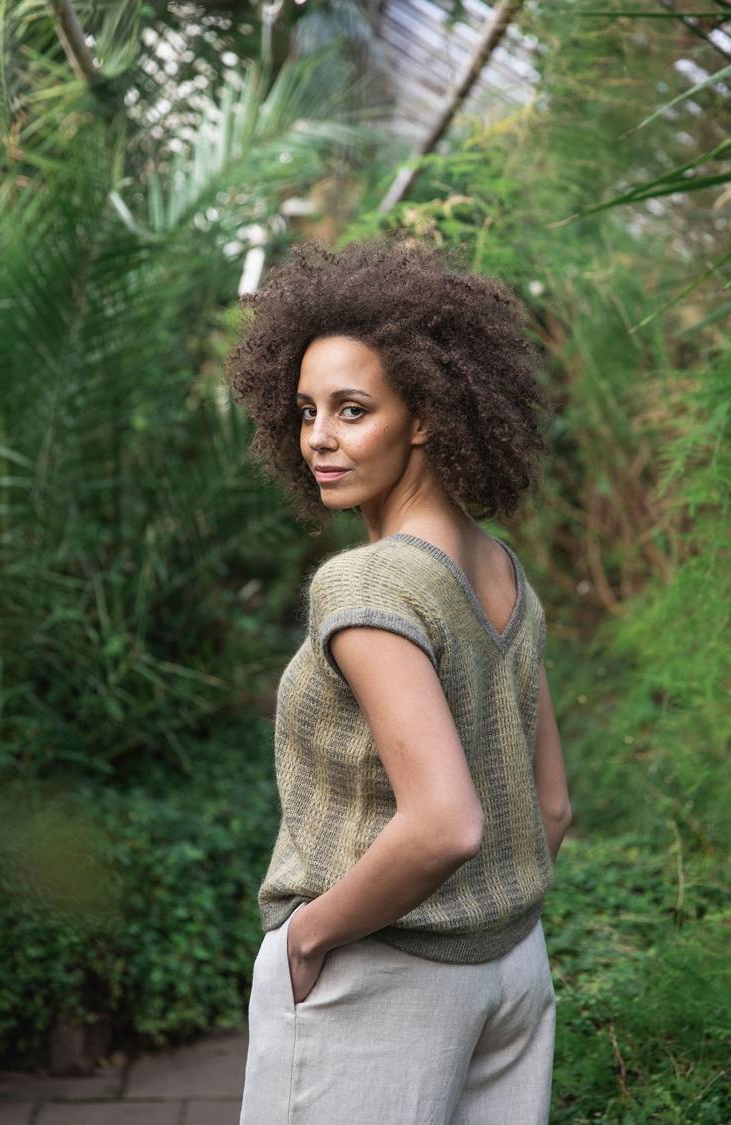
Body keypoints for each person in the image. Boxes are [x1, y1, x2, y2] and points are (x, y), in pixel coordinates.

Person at [226, 236, 573, 1124]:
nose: (319, 438)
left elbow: (445, 823)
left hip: (382, 978)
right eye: (307, 410)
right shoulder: (501, 570)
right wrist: (489, 924)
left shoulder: (370, 582)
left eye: (353, 410)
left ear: (423, 415)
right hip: (512, 971)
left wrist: (310, 936)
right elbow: (551, 807)